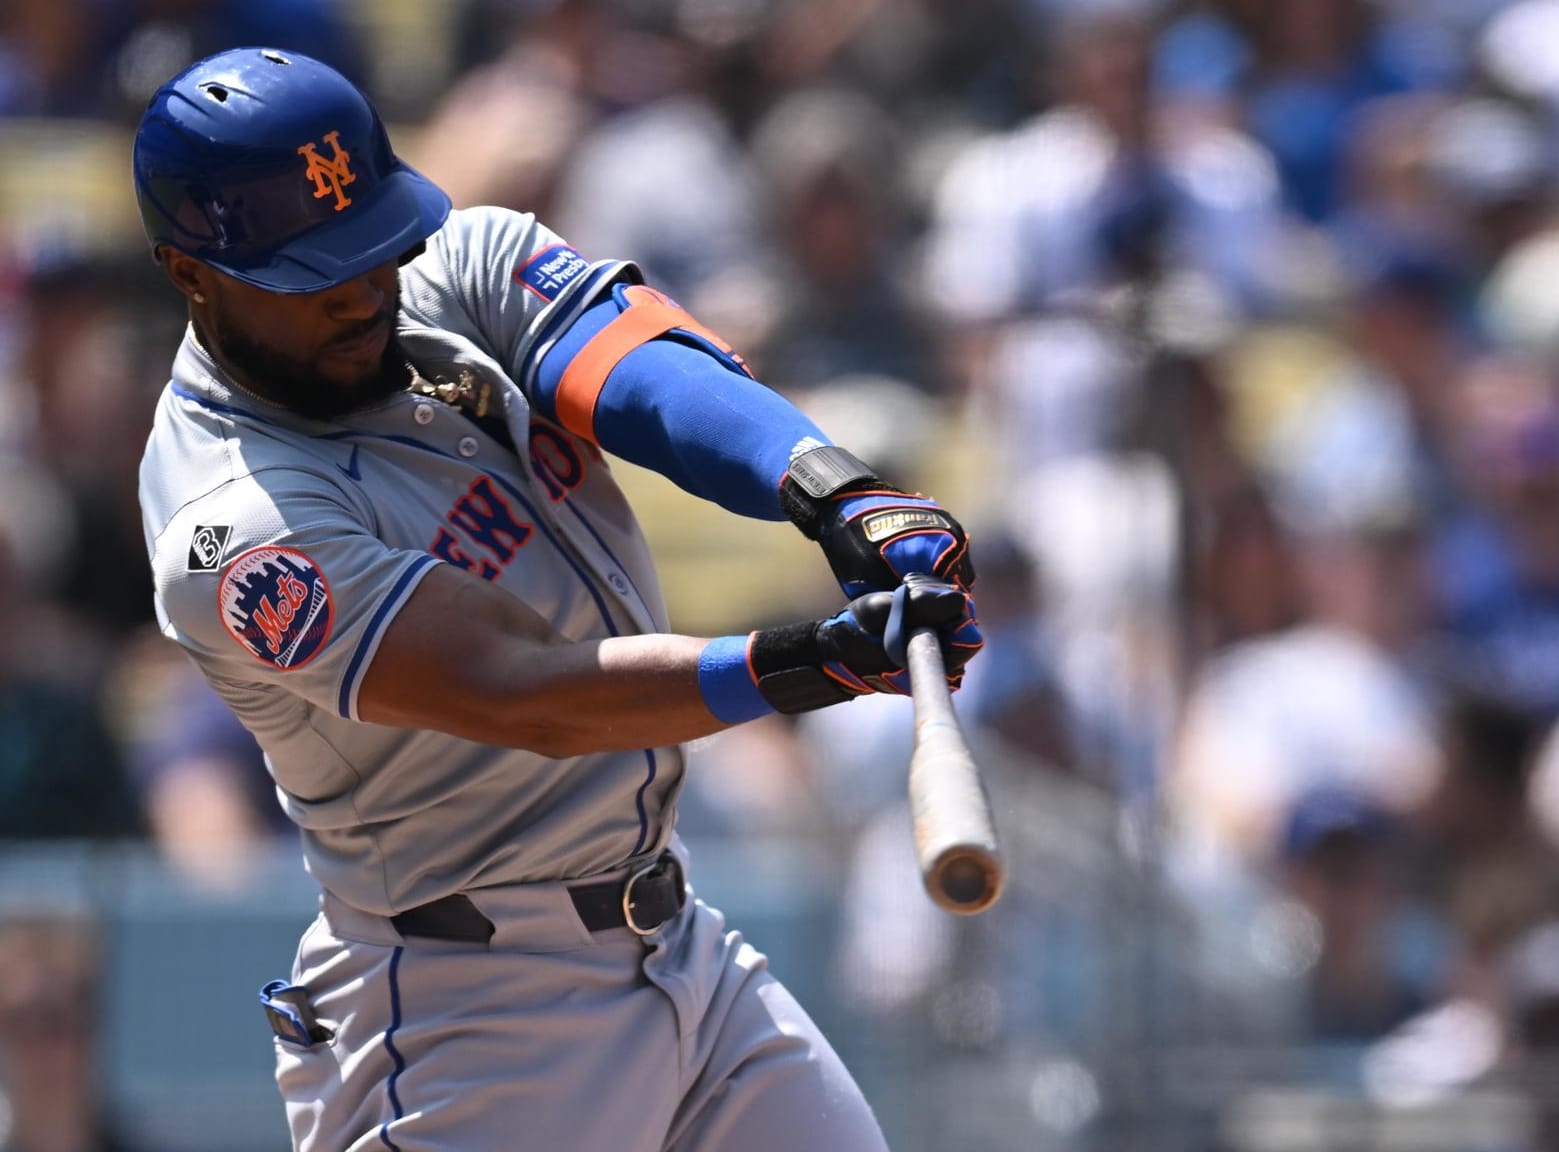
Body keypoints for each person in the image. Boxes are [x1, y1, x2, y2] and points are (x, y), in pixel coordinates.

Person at [133, 48, 981, 1152]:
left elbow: (642, 372)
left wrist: (837, 495)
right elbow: (526, 693)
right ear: (189, 272)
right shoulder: (230, 522)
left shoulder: (444, 268)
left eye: (369, 246)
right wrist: (805, 663)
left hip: (677, 944)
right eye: (309, 273)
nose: (361, 291)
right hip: (468, 1016)